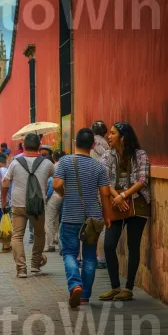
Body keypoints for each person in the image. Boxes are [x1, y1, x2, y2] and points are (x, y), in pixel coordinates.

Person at [53, 128, 112, 308]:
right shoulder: (99, 166)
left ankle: (75, 285)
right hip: (92, 218)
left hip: (70, 215)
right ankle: (85, 295)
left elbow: (56, 184)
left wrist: (64, 193)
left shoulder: (64, 161)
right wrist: (107, 217)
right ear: (93, 145)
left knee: (70, 253)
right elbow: (105, 194)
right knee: (89, 257)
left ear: (74, 143)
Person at [99, 122, 151, 302]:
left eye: (113, 133)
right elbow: (104, 179)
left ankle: (128, 288)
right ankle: (115, 287)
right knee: (108, 245)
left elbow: (143, 179)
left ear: (123, 137)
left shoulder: (140, 154)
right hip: (116, 203)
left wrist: (125, 195)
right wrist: (117, 198)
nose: (109, 136)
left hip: (137, 202)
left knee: (133, 245)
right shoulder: (107, 155)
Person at [1, 133, 54, 278]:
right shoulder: (48, 163)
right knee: (39, 234)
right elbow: (57, 181)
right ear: (39, 146)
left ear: (23, 146)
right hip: (38, 205)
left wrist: (3, 199)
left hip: (18, 205)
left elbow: (5, 182)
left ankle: (21, 268)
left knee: (17, 236)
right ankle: (35, 265)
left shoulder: (15, 162)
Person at [91, 120, 110, 269]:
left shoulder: (88, 144)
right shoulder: (107, 146)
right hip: (103, 187)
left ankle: (85, 256)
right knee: (102, 223)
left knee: (88, 222)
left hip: (88, 187)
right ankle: (102, 258)